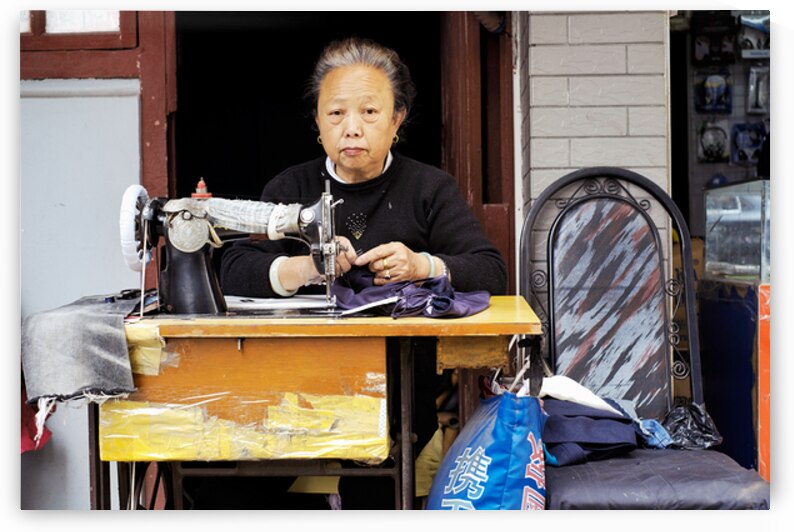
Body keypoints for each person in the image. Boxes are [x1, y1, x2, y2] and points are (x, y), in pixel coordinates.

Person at [219, 36, 507, 509]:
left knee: (376, 495)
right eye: (336, 114)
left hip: (399, 392)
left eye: (370, 113)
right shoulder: (290, 187)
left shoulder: (428, 189)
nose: (352, 128)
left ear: (397, 120)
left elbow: (490, 270)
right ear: (317, 121)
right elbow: (233, 268)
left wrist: (422, 265)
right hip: (290, 388)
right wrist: (306, 267)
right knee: (227, 487)